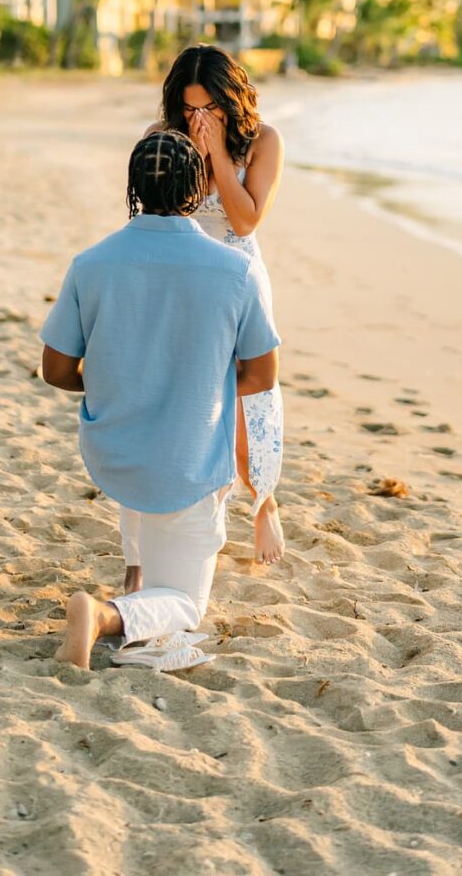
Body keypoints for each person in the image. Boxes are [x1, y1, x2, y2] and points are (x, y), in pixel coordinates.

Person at [40, 129, 281, 672]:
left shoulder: (91, 263)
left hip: (117, 449)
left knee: (151, 516)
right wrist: (191, 388)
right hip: (187, 459)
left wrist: (121, 385)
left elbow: (56, 370)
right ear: (197, 190)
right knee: (187, 606)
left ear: (133, 188)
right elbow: (261, 375)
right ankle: (101, 617)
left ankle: (134, 572)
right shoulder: (234, 270)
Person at [148, 44, 286, 563]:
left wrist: (220, 160)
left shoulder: (263, 141)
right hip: (181, 272)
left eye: (211, 108)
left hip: (238, 274)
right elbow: (159, 211)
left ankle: (264, 500)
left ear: (233, 100)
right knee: (190, 395)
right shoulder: (161, 139)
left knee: (250, 401)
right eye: (189, 108)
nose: (199, 119)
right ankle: (199, 504)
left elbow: (246, 218)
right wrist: (192, 154)